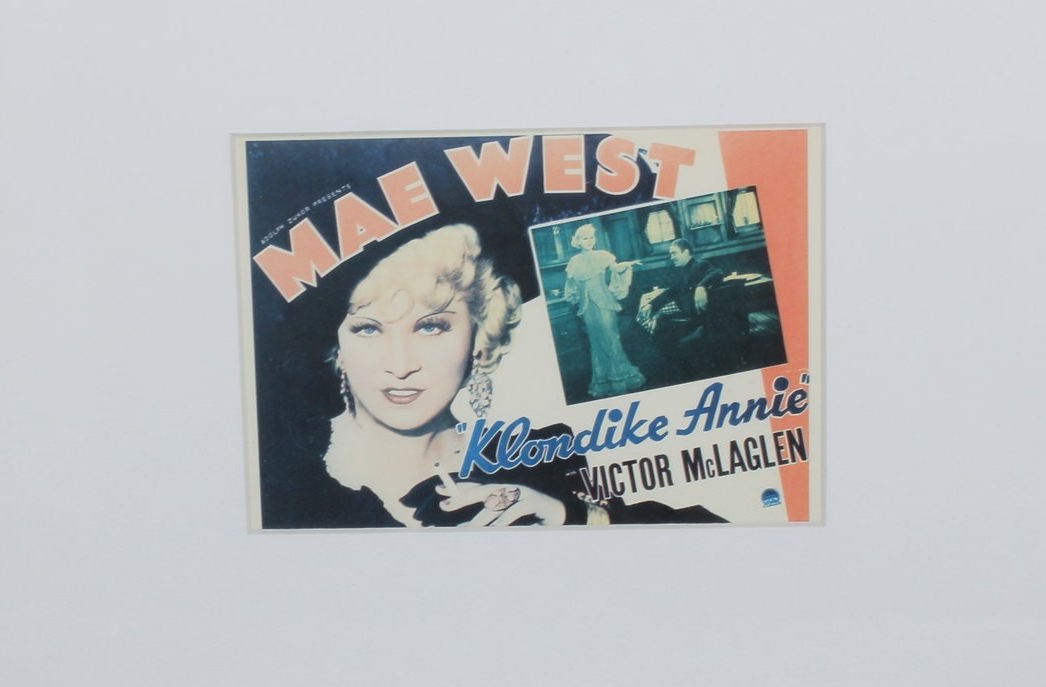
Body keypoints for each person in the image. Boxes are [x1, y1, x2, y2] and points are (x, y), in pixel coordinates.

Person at [265, 223, 601, 529]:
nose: (400, 367)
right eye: (368, 329)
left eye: (430, 327)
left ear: (479, 337)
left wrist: (572, 517)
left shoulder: (542, 458)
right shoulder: (281, 472)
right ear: (337, 348)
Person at [560, 221, 643, 399]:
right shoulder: (574, 262)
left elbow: (615, 269)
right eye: (585, 238)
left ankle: (622, 378)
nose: (589, 240)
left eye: (591, 237)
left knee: (611, 339)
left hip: (604, 303)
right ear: (578, 241)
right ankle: (603, 381)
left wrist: (626, 265)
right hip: (587, 308)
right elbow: (571, 286)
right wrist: (574, 297)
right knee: (597, 342)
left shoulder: (603, 255)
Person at [635, 235, 715, 379]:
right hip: (689, 317)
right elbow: (671, 292)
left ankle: (684, 372)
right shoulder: (684, 271)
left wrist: (701, 286)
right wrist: (650, 305)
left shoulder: (699, 265)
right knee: (659, 326)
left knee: (661, 334)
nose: (671, 257)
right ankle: (680, 369)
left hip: (700, 320)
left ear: (686, 252)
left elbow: (716, 273)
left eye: (674, 253)